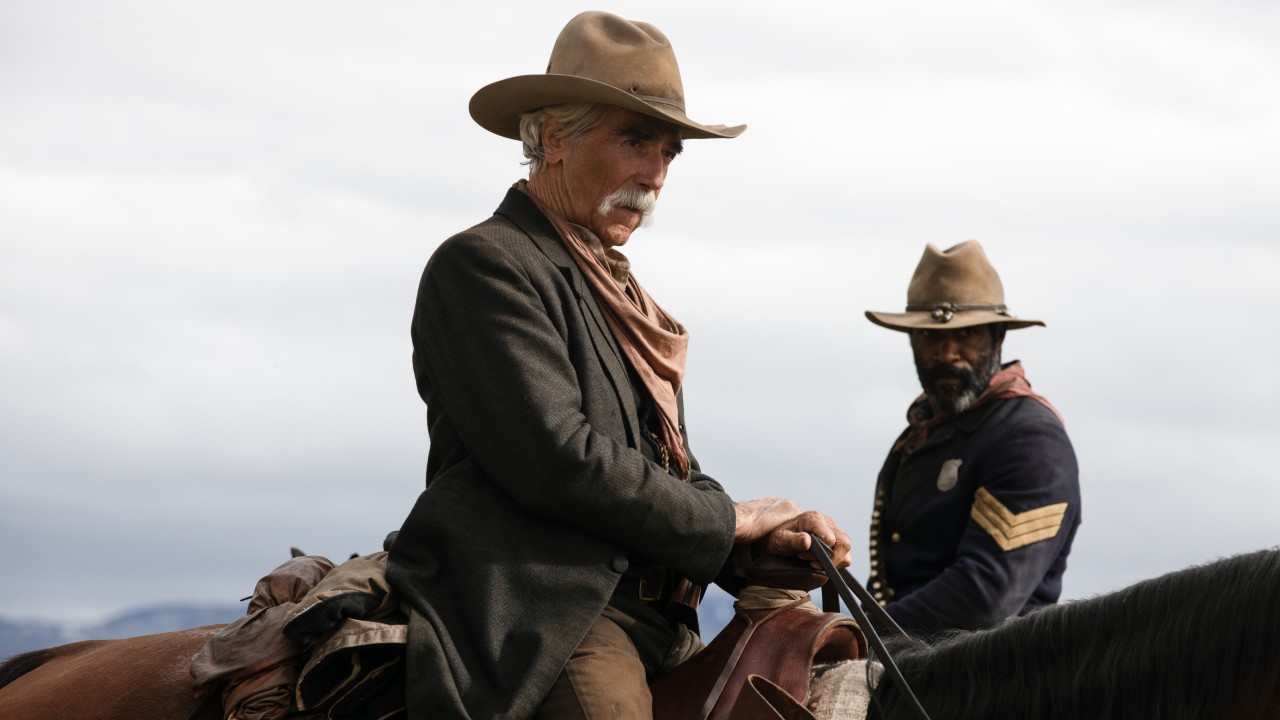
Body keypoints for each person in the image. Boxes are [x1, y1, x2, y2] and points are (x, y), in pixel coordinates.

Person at [384, 11, 851, 720]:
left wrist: (758, 544)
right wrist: (733, 518)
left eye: (669, 153)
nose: (656, 174)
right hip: (550, 619)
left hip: (660, 623)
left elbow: (668, 474)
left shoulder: (618, 292)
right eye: (635, 140)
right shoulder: (486, 265)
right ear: (552, 139)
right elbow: (559, 461)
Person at [863, 240, 1081, 636]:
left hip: (990, 678)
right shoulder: (919, 435)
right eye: (930, 336)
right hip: (906, 660)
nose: (946, 353)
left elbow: (986, 595)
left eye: (967, 334)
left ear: (998, 337)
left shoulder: (1031, 438)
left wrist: (866, 635)